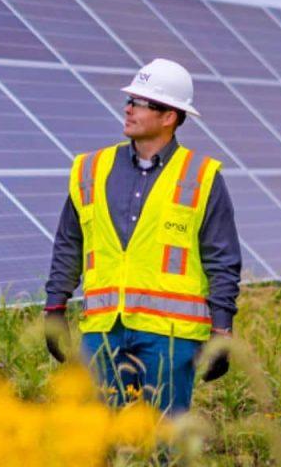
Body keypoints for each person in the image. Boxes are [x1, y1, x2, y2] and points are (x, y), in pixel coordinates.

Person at [43, 58, 242, 415]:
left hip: (171, 338)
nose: (128, 108)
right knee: (95, 437)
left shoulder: (203, 177)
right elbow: (69, 243)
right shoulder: (91, 169)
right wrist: (55, 306)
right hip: (103, 329)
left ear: (169, 116)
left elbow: (222, 261)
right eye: (130, 100)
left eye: (140, 102)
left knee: (165, 440)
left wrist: (222, 332)